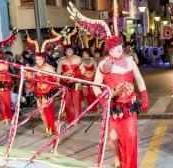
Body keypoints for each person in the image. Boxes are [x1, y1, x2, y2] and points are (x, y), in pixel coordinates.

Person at [93, 36, 149, 168]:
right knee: (113, 137)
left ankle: (129, 165)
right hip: (113, 108)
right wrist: (102, 100)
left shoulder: (130, 61)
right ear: (108, 50)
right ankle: (117, 157)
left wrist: (144, 97)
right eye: (114, 46)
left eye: (119, 45)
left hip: (130, 106)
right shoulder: (103, 64)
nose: (118, 48)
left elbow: (139, 79)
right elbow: (95, 85)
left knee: (130, 137)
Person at [0, 30, 17, 124]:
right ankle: (7, 117)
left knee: (4, 102)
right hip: (6, 84)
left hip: (1, 84)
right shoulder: (4, 64)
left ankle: (7, 117)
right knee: (5, 101)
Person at [57, 45, 82, 124]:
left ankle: (77, 119)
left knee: (77, 101)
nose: (69, 52)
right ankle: (70, 118)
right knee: (67, 102)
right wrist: (63, 76)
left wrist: (75, 73)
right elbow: (58, 74)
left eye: (71, 50)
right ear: (65, 52)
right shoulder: (61, 61)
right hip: (65, 83)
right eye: (67, 50)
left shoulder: (78, 59)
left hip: (76, 83)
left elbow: (83, 71)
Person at [79, 48, 97, 113]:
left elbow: (96, 69)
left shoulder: (93, 60)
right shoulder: (80, 61)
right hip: (84, 79)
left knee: (92, 94)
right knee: (86, 94)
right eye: (83, 53)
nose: (84, 55)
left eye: (86, 53)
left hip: (92, 78)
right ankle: (88, 108)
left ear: (88, 54)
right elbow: (80, 71)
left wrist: (93, 74)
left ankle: (93, 108)